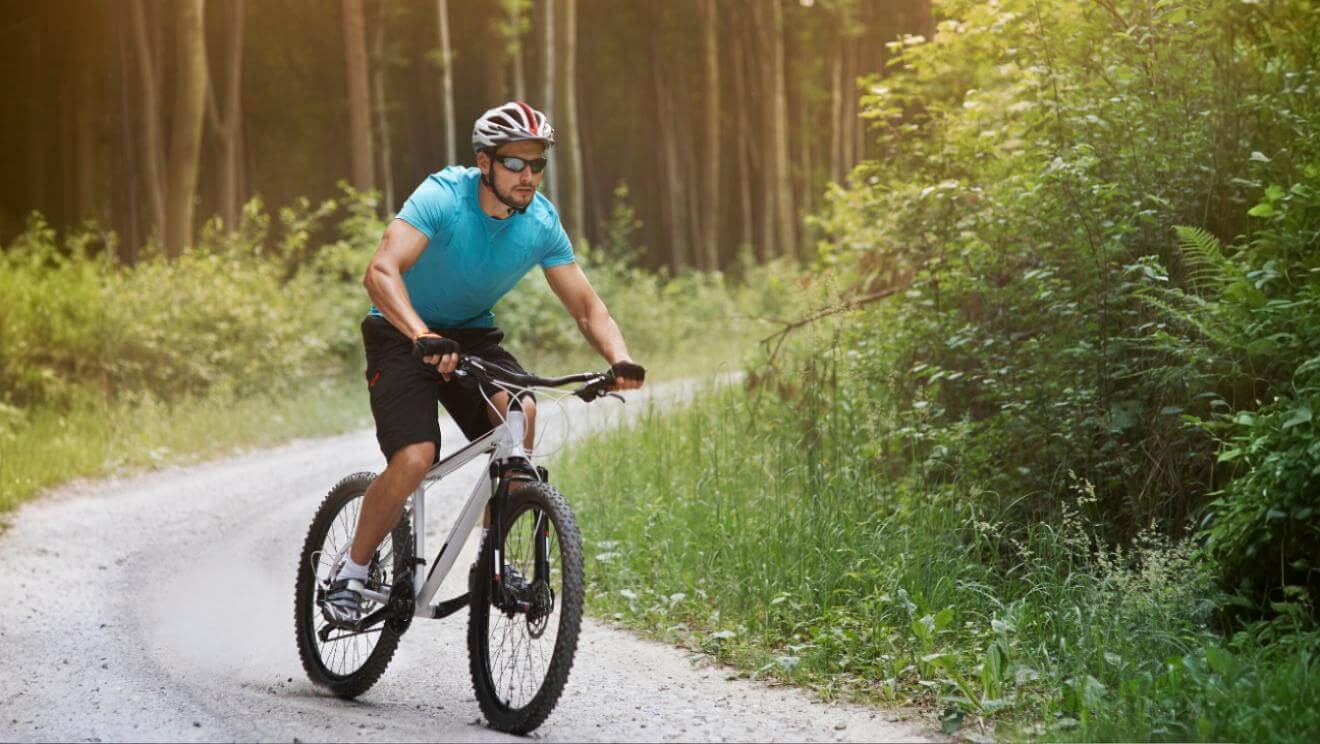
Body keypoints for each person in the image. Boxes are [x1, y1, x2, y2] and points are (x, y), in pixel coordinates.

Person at [324, 101, 646, 625]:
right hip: (400, 330)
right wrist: (422, 333)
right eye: (514, 163)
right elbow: (381, 272)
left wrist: (620, 358)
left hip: (471, 335)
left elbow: (587, 306)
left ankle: (492, 563)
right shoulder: (443, 197)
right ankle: (352, 572)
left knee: (521, 415)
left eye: (536, 164)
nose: (527, 175)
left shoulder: (541, 222)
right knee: (414, 457)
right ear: (485, 163)